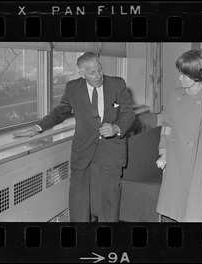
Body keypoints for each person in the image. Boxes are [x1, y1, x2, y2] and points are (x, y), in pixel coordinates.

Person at [13, 52, 135, 222]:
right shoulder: (73, 88)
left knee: (109, 200)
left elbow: (129, 114)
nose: (98, 76)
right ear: (81, 73)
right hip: (83, 150)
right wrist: (38, 128)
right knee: (78, 199)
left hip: (111, 151)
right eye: (92, 73)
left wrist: (116, 127)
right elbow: (59, 113)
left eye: (100, 70)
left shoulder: (117, 84)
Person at [156, 49, 202, 222]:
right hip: (175, 157)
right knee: (172, 206)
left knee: (193, 211)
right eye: (180, 73)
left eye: (184, 75)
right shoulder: (175, 94)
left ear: (198, 75)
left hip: (198, 161)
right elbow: (167, 126)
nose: (180, 78)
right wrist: (164, 152)